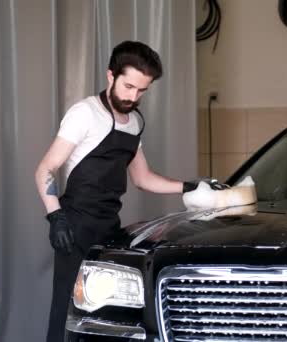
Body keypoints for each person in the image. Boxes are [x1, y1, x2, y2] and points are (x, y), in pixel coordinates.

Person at [34, 40, 215, 342]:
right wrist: (55, 217)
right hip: (74, 228)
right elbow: (46, 169)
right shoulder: (85, 113)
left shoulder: (134, 124)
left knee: (108, 316)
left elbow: (143, 178)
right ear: (111, 76)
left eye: (142, 90)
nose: (133, 97)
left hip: (109, 230)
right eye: (128, 86)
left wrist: (188, 186)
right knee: (67, 313)